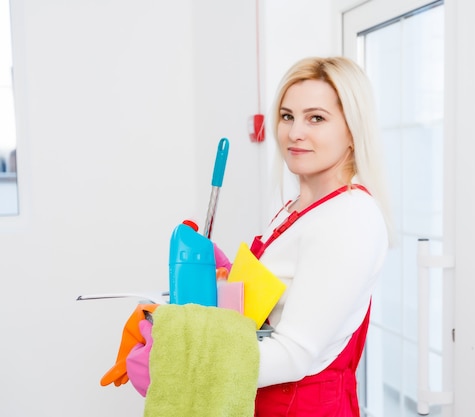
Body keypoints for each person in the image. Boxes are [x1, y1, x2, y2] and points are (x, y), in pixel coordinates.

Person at [127, 56, 394, 416]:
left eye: (316, 117)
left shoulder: (349, 218)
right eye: (287, 116)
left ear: (352, 130)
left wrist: (174, 351)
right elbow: (270, 311)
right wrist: (215, 282)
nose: (295, 132)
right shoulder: (295, 209)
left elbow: (294, 354)